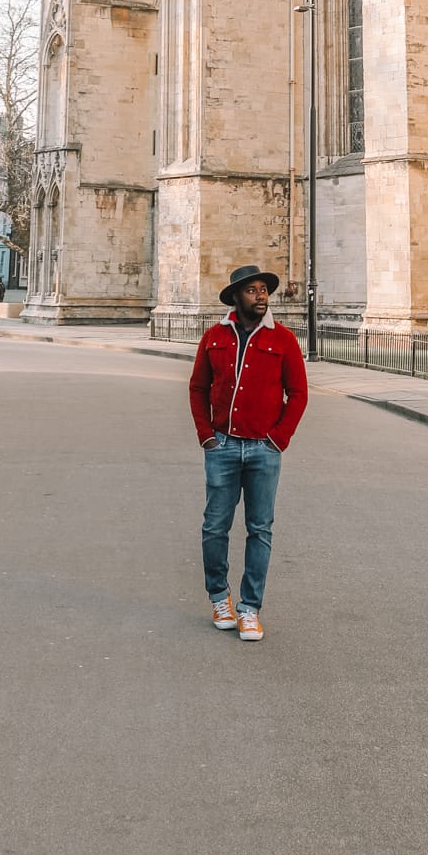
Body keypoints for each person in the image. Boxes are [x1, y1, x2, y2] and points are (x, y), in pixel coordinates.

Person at [188, 265, 308, 644]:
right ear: (237, 296)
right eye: (253, 291)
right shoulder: (215, 337)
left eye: (264, 291)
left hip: (263, 449)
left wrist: (278, 439)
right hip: (222, 445)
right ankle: (220, 598)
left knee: (260, 529)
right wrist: (206, 435)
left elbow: (299, 392)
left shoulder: (284, 339)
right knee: (214, 527)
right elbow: (197, 388)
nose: (261, 297)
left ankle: (250, 608)